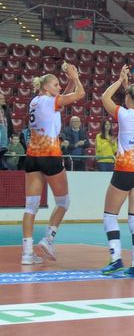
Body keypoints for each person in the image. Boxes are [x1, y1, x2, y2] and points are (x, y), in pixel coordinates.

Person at [22, 65, 85, 264]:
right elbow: (81, 94)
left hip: (32, 155)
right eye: (56, 84)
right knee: (63, 202)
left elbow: (61, 98)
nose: (59, 87)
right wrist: (75, 77)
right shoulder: (50, 101)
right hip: (50, 155)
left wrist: (69, 82)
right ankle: (48, 239)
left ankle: (27, 254)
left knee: (30, 207)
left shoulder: (35, 101)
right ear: (46, 87)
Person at [99, 65, 134, 277]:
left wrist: (119, 80)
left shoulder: (124, 114)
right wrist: (127, 85)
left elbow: (105, 98)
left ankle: (115, 259)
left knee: (110, 215)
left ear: (129, 99)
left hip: (124, 170)